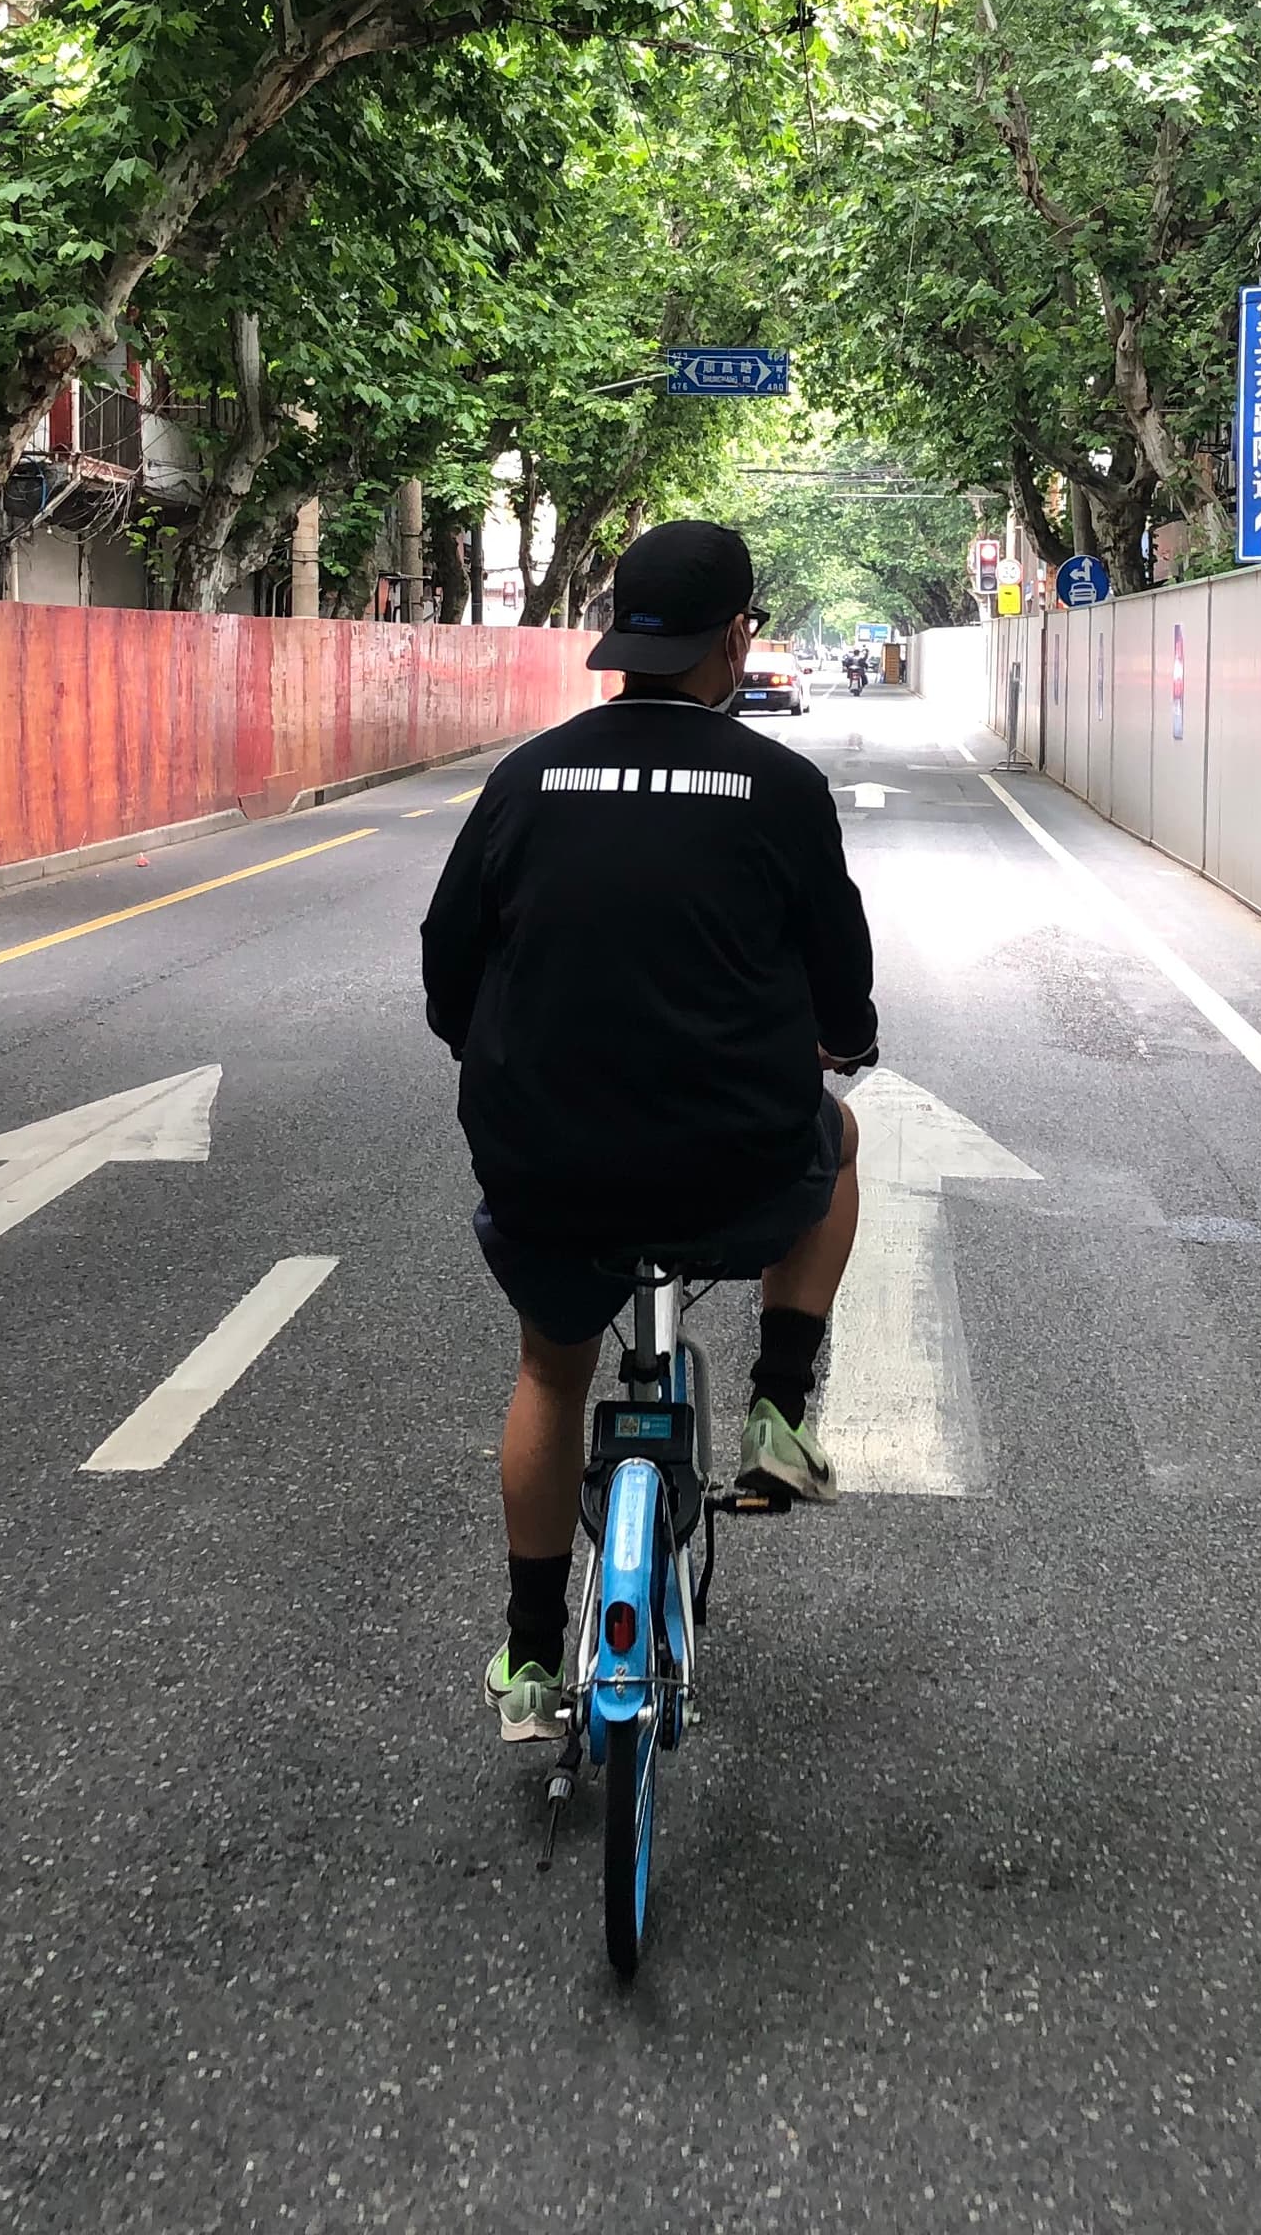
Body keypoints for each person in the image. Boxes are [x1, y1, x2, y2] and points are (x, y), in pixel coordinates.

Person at [419, 519, 877, 1743]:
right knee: (832, 1142)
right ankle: (782, 1409)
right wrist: (847, 1034)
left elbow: (446, 971)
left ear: (621, 637)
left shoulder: (526, 778)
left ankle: (526, 1661)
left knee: (547, 1370)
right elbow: (841, 982)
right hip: (734, 1164)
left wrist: (497, 1052)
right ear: (738, 639)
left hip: (549, 1162)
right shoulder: (778, 787)